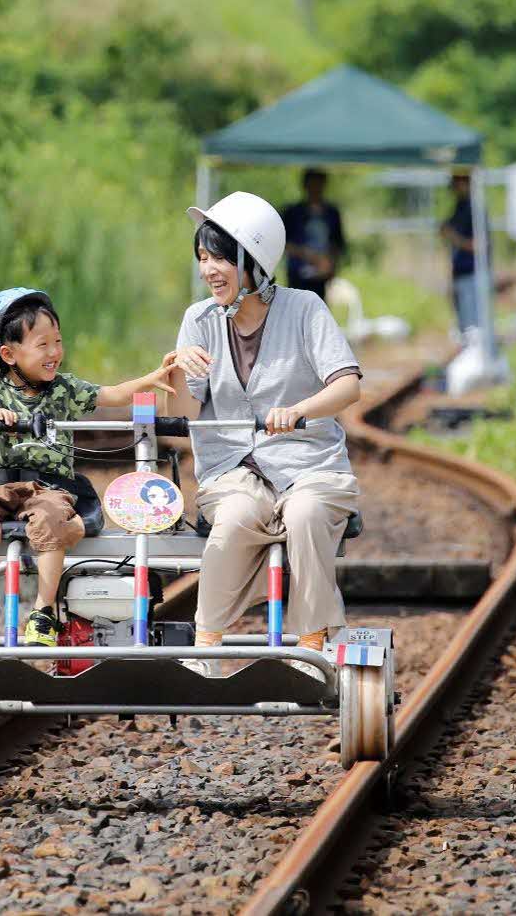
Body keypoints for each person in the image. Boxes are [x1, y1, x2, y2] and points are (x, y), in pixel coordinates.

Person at [162, 191, 363, 662]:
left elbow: (348, 385)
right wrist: (176, 367)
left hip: (309, 461)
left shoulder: (305, 308)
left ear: (253, 261)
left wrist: (301, 409)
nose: (209, 270)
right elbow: (185, 405)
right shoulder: (199, 319)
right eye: (203, 258)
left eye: (220, 259)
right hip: (230, 469)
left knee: (306, 514)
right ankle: (206, 645)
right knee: (232, 520)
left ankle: (312, 645)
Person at [0, 288, 173, 648]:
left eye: (58, 342)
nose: (55, 353)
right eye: (43, 345)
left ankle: (43, 610)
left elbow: (109, 394)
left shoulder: (63, 389)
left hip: (49, 486)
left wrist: (148, 379)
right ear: (9, 354)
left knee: (51, 520)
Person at [280, 169, 347, 304]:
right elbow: (283, 243)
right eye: (312, 184)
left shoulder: (332, 213)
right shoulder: (292, 213)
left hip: (321, 276)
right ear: (305, 186)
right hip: (297, 274)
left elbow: (337, 243)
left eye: (319, 184)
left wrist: (330, 264)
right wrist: (309, 255)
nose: (316, 188)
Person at [439, 172, 481, 335]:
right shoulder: (460, 207)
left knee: (473, 328)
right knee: (464, 327)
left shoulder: (474, 209)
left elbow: (480, 246)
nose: (454, 190)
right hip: (460, 273)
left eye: (457, 185)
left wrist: (453, 237)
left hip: (473, 275)